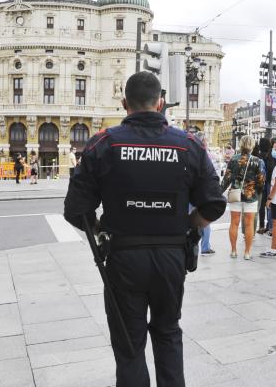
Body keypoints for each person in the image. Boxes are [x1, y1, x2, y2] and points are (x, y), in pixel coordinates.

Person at [63, 71, 226, 387]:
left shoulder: (104, 144)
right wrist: (189, 225)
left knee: (129, 346)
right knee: (167, 333)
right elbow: (213, 204)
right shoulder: (188, 145)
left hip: (123, 258)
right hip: (171, 258)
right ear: (161, 103)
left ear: (124, 104)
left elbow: (75, 210)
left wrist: (99, 229)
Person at [221, 135, 265, 260]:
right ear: (252, 146)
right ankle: (247, 252)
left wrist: (218, 192)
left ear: (240, 145)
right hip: (251, 196)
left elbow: (226, 179)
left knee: (234, 223)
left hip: (235, 194)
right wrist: (258, 192)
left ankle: (234, 251)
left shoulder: (233, 159)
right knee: (249, 224)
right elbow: (261, 180)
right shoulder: (258, 161)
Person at [256, 138, 272, 234]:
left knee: (261, 205)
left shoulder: (258, 156)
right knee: (269, 205)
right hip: (269, 182)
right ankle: (269, 226)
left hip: (260, 183)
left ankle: (261, 226)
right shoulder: (271, 155)